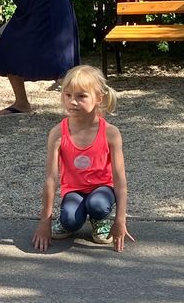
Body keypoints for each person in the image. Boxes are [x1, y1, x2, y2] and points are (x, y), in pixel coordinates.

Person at [32, 65, 135, 253]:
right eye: (68, 95)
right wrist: (44, 222)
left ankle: (100, 219)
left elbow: (120, 180)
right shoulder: (57, 133)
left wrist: (120, 220)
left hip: (102, 189)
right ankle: (67, 221)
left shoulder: (111, 133)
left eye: (81, 96)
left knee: (97, 204)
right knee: (70, 220)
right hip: (74, 191)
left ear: (99, 98)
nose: (73, 102)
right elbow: (51, 179)